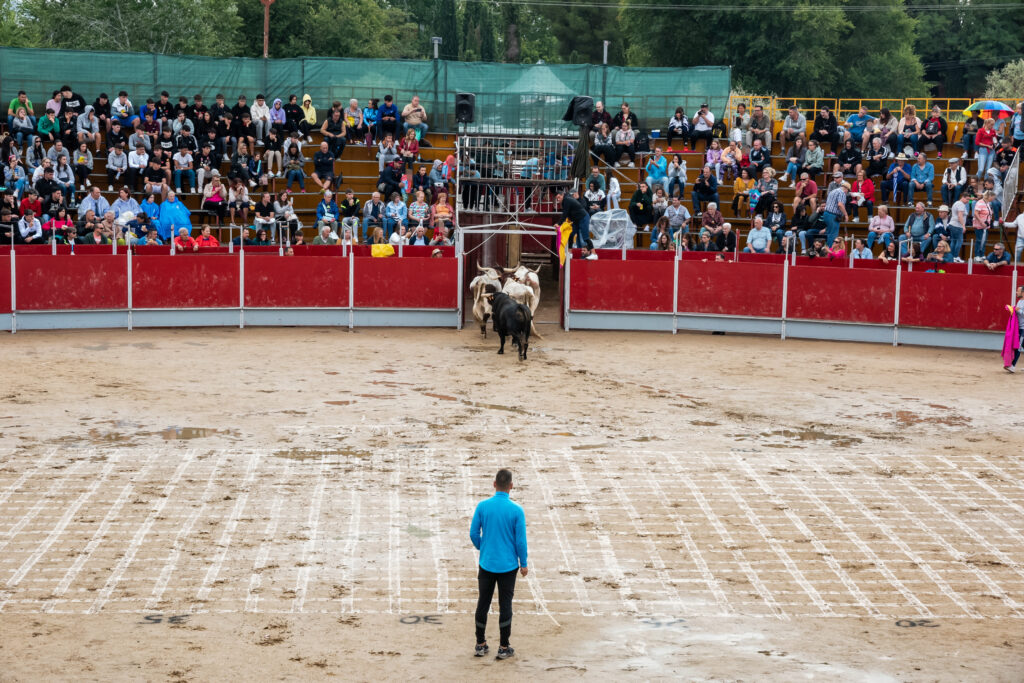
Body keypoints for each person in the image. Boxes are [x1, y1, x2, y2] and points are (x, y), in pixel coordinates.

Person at [471, 468, 528, 661]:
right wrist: (524, 563)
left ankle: (480, 644)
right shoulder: (517, 511)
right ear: (511, 486)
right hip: (508, 567)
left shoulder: (482, 506)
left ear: (494, 484)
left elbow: (473, 533)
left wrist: (484, 547)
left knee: (483, 603)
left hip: (486, 564)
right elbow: (520, 541)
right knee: (505, 605)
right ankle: (504, 647)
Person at [1003, 284, 1024, 373]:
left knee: (1018, 347)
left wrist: (1017, 310)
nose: (1016, 292)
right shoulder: (1019, 301)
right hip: (1019, 328)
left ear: (1023, 292)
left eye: (1018, 291)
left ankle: (1012, 366)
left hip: (1023, 328)